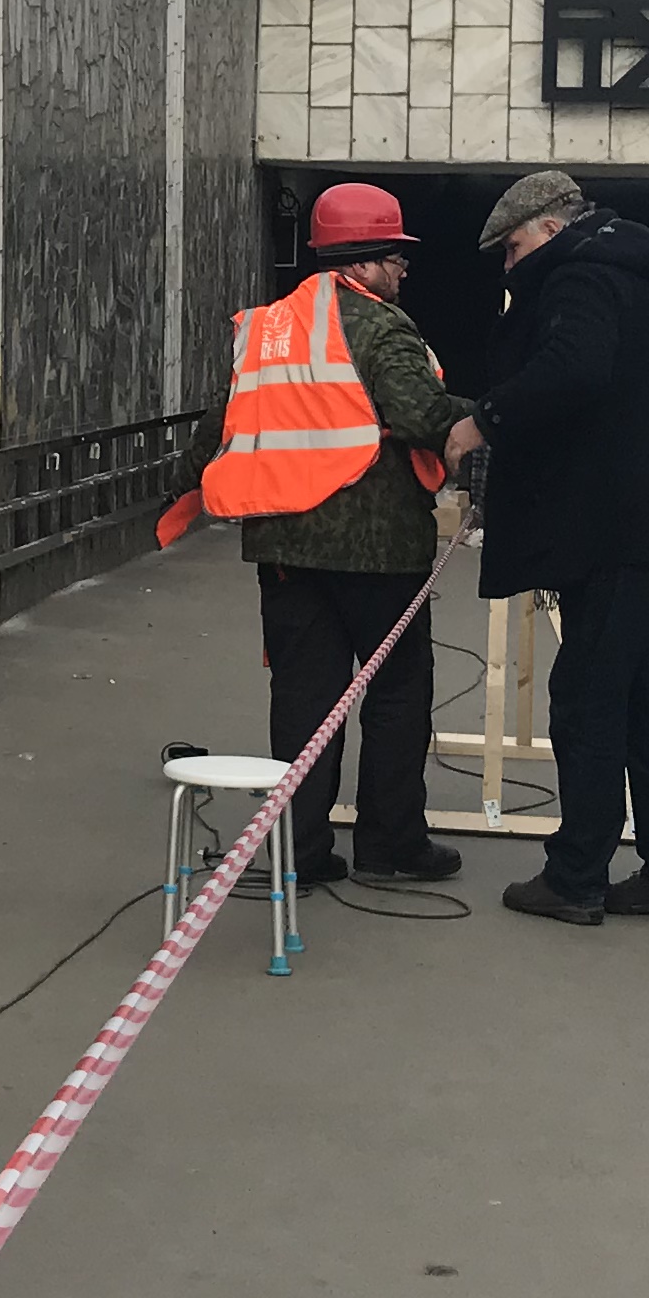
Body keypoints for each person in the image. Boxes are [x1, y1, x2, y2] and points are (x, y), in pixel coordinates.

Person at [165, 183, 482, 886]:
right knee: (396, 693)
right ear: (362, 265)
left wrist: (181, 484)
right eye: (395, 257)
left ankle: (299, 854)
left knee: (305, 700)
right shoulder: (379, 329)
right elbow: (420, 414)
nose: (403, 270)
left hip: (284, 550)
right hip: (377, 551)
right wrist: (492, 415)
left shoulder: (272, 328)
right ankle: (391, 846)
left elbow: (221, 423)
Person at [473, 170, 649, 927]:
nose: (510, 267)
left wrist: (485, 421)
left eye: (510, 250)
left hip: (620, 532)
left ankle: (575, 878)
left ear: (545, 228)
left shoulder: (580, 278)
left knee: (590, 700)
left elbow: (572, 369)